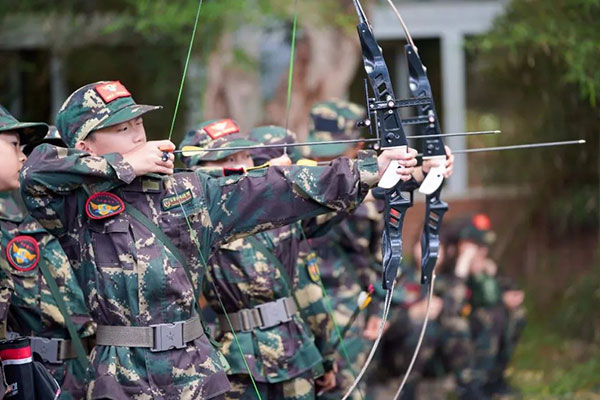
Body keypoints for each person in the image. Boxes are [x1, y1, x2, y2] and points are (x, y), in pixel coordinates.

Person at [19, 81, 419, 399]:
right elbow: (34, 172)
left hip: (196, 371)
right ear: (85, 147)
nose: (136, 136)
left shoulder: (189, 191)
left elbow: (274, 186)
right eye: (120, 129)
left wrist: (371, 167)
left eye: (137, 125)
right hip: (122, 376)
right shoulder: (74, 207)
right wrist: (122, 166)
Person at [302, 99, 455, 399]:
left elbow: (380, 194)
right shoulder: (298, 175)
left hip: (351, 307)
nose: (330, 162)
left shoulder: (364, 178)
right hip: (307, 309)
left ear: (358, 146)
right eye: (325, 153)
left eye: (339, 153)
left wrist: (424, 172)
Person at [179, 121, 336, 399]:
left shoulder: (278, 206)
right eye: (229, 159)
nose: (243, 164)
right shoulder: (195, 219)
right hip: (239, 361)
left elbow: (340, 193)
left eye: (246, 156)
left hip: (295, 352)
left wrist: (411, 173)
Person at [0, 105, 95, 399]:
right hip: (35, 374)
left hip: (83, 371)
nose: (23, 156)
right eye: (15, 144)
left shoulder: (56, 221)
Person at [458, 214, 526, 396]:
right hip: (459, 320)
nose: (483, 252)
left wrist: (502, 288)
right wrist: (463, 269)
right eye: (478, 247)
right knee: (490, 318)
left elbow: (504, 288)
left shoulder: (486, 265)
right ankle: (474, 384)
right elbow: (453, 301)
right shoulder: (453, 265)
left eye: (484, 247)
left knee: (514, 315)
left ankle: (494, 378)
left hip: (485, 317)